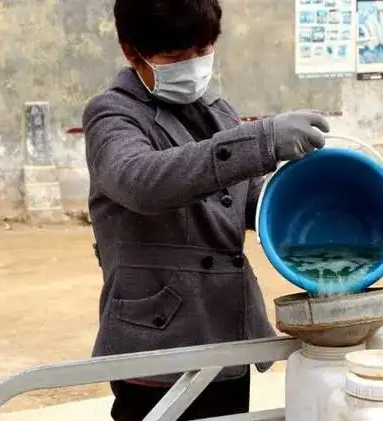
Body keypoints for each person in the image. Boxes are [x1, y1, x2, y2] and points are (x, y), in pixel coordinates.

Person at [83, 0, 330, 420]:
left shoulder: (217, 111)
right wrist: (262, 141)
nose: (194, 66)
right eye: (177, 57)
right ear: (131, 52)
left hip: (226, 329)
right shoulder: (112, 115)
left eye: (202, 50)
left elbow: (248, 201)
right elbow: (140, 181)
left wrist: (316, 205)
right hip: (158, 338)